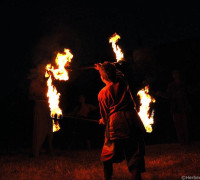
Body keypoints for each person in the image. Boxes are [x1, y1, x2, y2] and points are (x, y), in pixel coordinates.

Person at [95, 62, 146, 180]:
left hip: (115, 124)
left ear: (103, 77)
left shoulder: (102, 93)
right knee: (134, 153)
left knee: (107, 155)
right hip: (132, 120)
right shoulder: (122, 82)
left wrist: (103, 120)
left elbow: (105, 116)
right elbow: (118, 74)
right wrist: (104, 68)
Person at [29, 64, 53, 157]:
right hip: (39, 106)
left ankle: (50, 150)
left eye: (44, 70)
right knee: (39, 128)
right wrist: (40, 96)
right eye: (41, 70)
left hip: (48, 106)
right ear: (38, 72)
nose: (43, 72)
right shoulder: (34, 82)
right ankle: (36, 152)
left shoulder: (48, 82)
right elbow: (30, 96)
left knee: (50, 128)